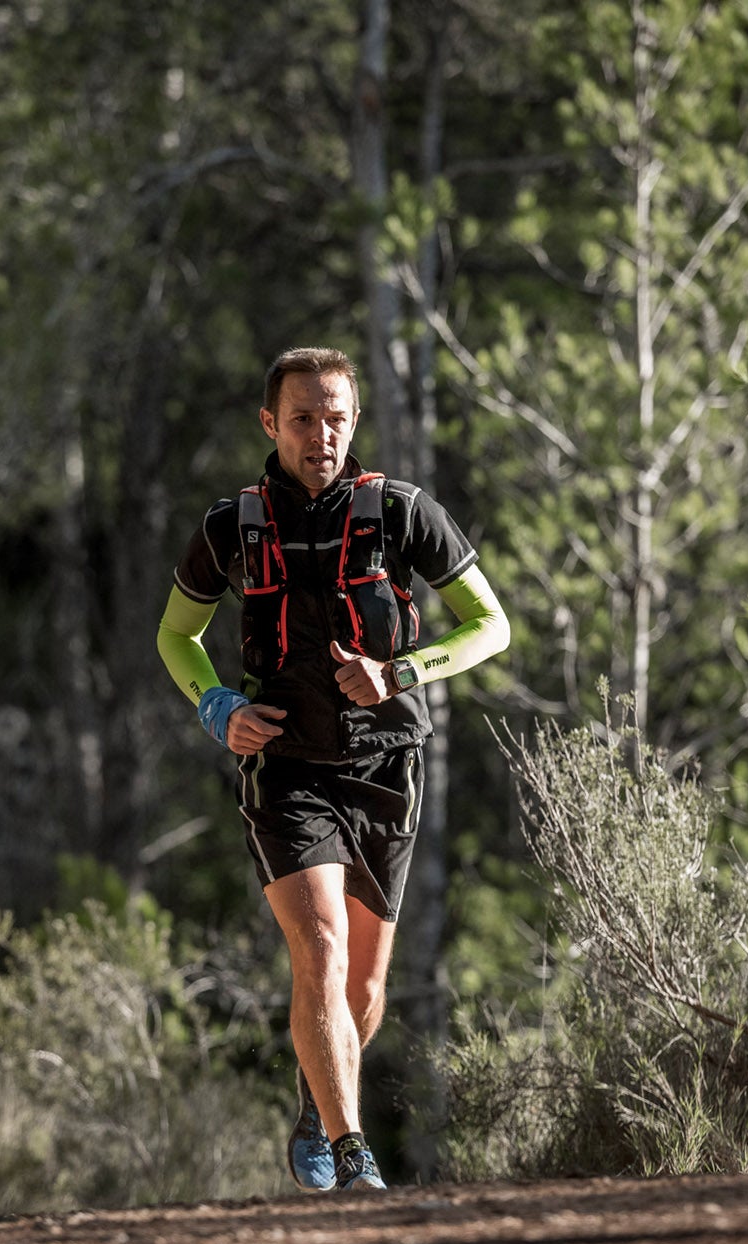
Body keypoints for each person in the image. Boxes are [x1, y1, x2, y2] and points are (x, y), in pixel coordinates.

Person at [156, 346, 509, 1191]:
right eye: (304, 417)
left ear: (356, 421)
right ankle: (353, 1152)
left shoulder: (401, 511)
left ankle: (317, 1106)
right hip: (284, 765)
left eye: (337, 417)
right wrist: (218, 706)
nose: (322, 434)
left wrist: (405, 671)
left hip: (386, 763)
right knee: (319, 944)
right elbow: (177, 636)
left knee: (364, 984)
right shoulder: (230, 526)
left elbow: (489, 626)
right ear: (270, 422)